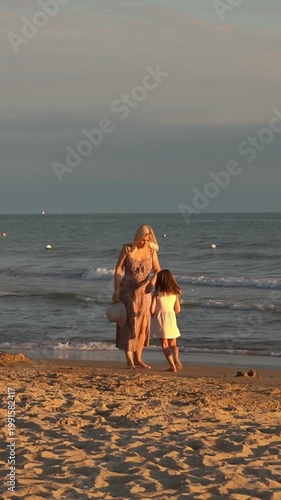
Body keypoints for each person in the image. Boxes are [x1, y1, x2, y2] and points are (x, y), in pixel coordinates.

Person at [113, 224, 161, 369]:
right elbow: (118, 269)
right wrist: (116, 290)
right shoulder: (127, 249)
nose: (144, 243)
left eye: (147, 240)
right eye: (142, 240)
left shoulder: (151, 251)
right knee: (129, 324)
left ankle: (138, 357)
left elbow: (158, 270)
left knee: (143, 326)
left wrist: (152, 283)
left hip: (145, 292)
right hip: (127, 289)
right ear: (137, 237)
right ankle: (129, 360)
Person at [150, 269, 182, 372]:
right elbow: (177, 310)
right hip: (171, 319)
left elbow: (152, 310)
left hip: (160, 319)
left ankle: (173, 366)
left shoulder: (156, 294)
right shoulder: (175, 293)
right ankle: (176, 357)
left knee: (164, 344)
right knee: (173, 344)